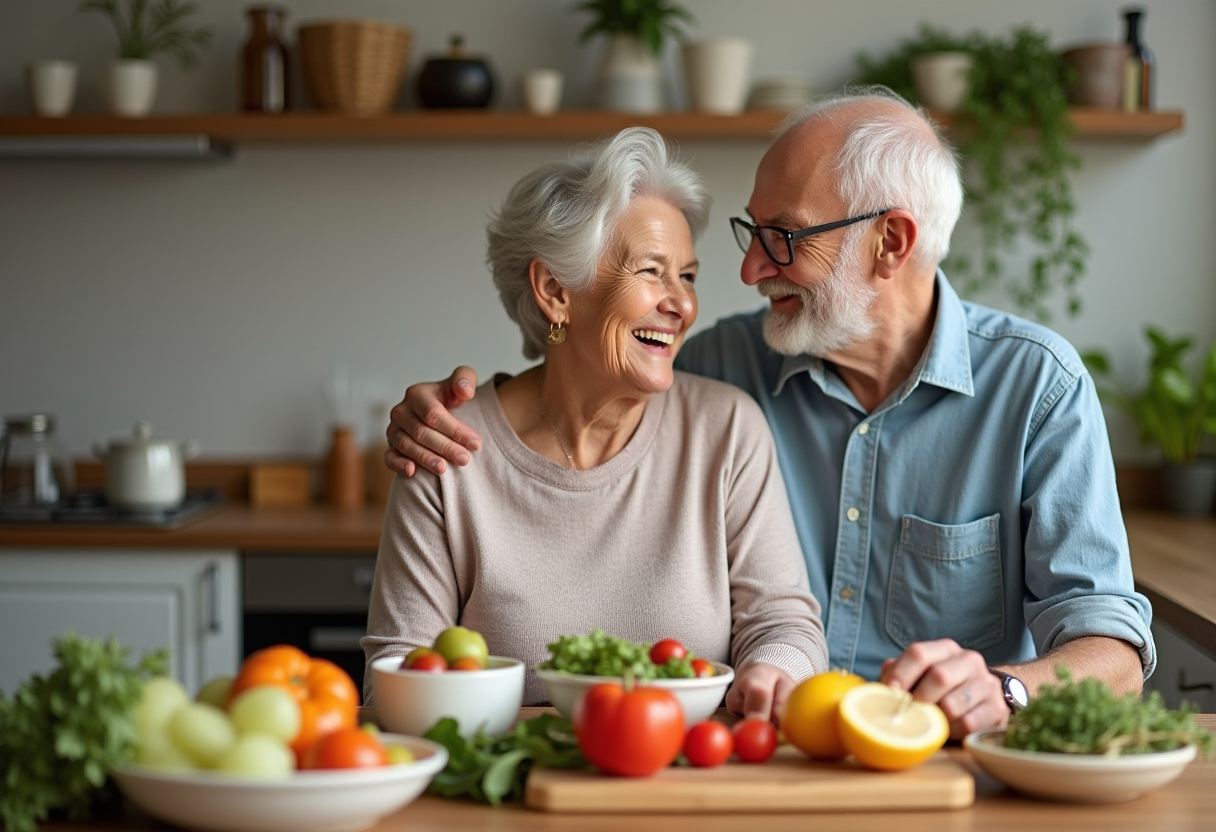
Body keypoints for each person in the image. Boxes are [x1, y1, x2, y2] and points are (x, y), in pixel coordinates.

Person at [382, 89, 1156, 739]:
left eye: (783, 238)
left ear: (890, 242)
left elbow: (1111, 647)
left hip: (939, 769)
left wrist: (1007, 692)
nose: (749, 271)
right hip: (769, 771)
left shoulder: (1034, 388)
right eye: (752, 234)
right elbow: (589, 370)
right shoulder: (718, 371)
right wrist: (443, 417)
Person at [361, 127, 829, 720]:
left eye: (686, 276)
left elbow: (784, 622)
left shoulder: (727, 429)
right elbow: (393, 678)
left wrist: (774, 672)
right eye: (652, 272)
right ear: (556, 291)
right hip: (515, 794)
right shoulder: (447, 448)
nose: (682, 305)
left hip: (688, 786)